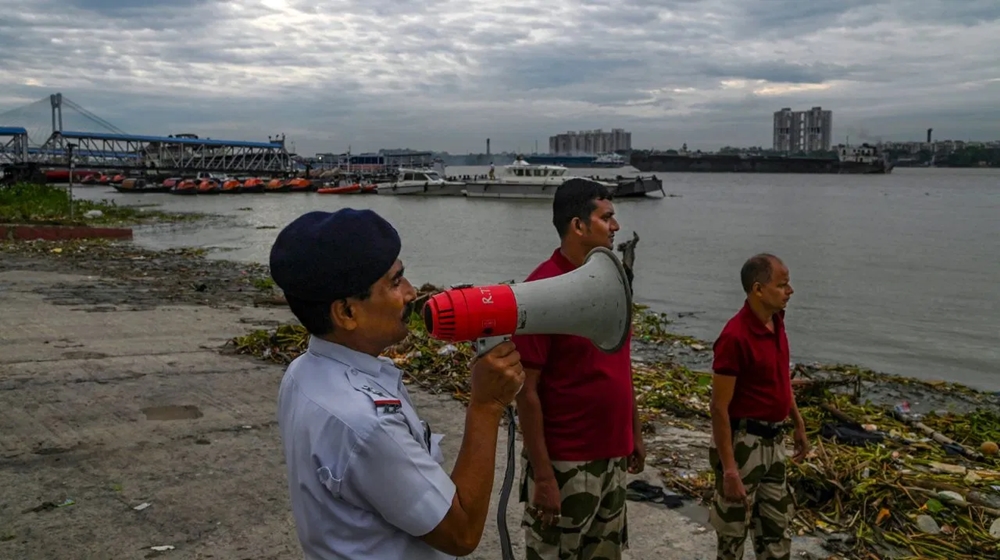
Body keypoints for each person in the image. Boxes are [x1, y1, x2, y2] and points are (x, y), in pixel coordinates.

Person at [269, 209, 526, 559]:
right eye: (395, 282)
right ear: (346, 313)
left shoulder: (303, 372)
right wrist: (485, 406)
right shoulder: (366, 423)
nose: (411, 292)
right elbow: (462, 533)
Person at [511, 178, 645, 560]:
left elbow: (621, 363)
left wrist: (633, 431)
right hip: (566, 461)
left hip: (612, 458)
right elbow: (527, 392)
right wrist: (544, 475)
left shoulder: (611, 284)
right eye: (607, 218)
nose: (616, 227)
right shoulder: (543, 291)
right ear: (579, 226)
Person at [708, 253, 810, 560]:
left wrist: (798, 424)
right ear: (758, 290)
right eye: (782, 285)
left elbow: (780, 380)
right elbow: (718, 408)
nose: (789, 291)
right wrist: (729, 469)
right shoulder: (734, 337)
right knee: (733, 533)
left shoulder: (776, 321)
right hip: (743, 444)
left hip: (774, 442)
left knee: (777, 530)